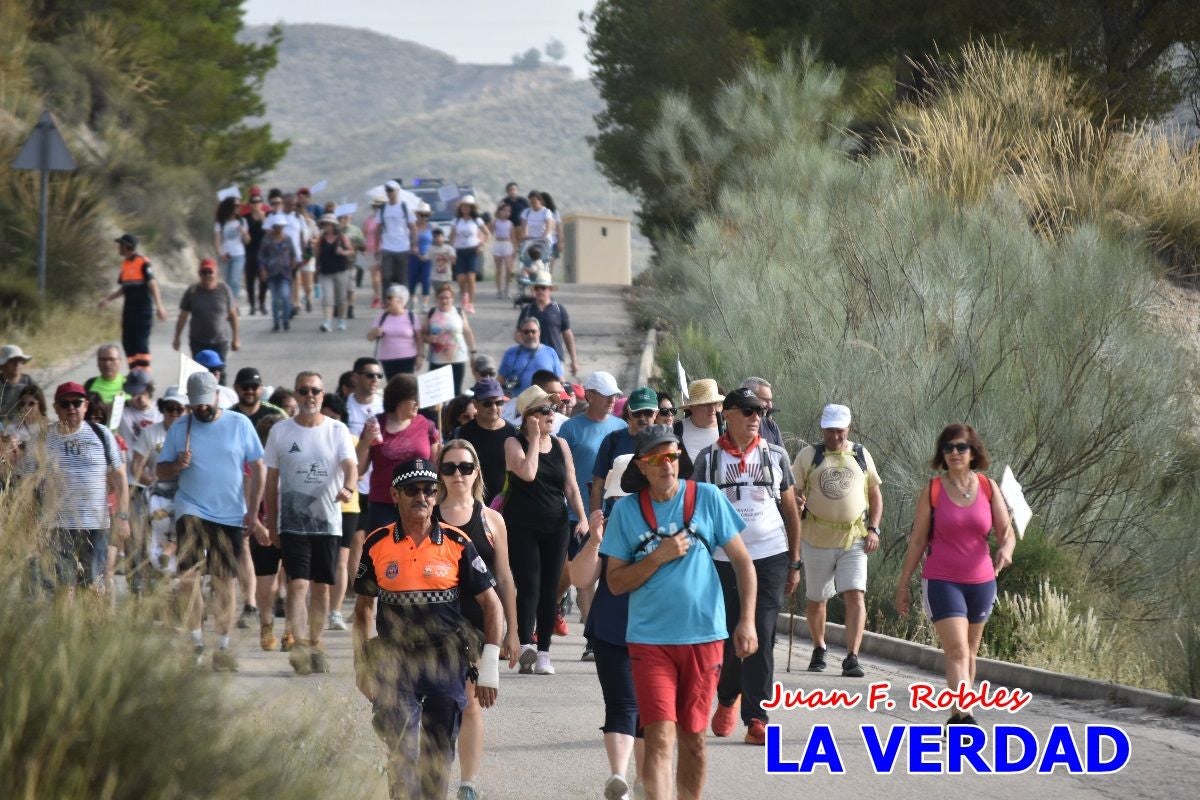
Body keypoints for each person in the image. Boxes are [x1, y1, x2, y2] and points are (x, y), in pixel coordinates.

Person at [599, 425, 758, 800]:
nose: (666, 465)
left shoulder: (706, 498)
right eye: (656, 458)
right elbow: (616, 583)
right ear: (642, 465)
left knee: (694, 741)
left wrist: (747, 620)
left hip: (704, 638)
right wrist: (658, 556)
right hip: (649, 641)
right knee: (658, 736)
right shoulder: (626, 511)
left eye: (671, 455)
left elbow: (744, 564)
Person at [353, 457, 503, 800]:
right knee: (402, 751)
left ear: (436, 495)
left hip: (446, 660)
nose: (421, 497)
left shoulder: (458, 541)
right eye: (412, 490)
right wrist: (361, 665)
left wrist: (490, 665)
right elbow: (362, 610)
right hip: (394, 661)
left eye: (429, 490)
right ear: (394, 494)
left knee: (437, 755)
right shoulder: (376, 543)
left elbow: (491, 604)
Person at [694, 387, 802, 745]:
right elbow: (695, 512)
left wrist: (794, 561)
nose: (757, 418)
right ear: (728, 414)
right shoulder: (709, 459)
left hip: (770, 555)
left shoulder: (776, 456)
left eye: (761, 412)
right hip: (723, 559)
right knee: (728, 636)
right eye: (749, 411)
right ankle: (727, 696)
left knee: (762, 633)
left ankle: (757, 717)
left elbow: (790, 511)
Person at [895, 424, 1015, 726]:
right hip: (942, 580)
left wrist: (1006, 550)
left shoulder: (988, 487)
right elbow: (919, 540)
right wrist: (903, 584)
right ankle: (966, 715)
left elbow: (1006, 533)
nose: (954, 453)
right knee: (958, 650)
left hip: (982, 582)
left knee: (970, 654)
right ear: (942, 454)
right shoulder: (933, 491)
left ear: (974, 452)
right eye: (948, 448)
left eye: (961, 447)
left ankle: (956, 714)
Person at [157, 371, 266, 671]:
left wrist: (253, 512)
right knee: (189, 576)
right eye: (196, 404)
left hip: (230, 512)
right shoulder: (181, 427)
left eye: (206, 403)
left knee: (223, 581)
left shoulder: (239, 424)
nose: (201, 409)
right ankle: (195, 642)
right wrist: (176, 465)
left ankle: (222, 646)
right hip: (191, 507)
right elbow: (160, 471)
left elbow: (259, 467)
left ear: (217, 396)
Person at [433, 441, 520, 800]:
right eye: (450, 467)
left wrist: (514, 632)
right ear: (440, 473)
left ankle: (467, 783)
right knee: (438, 705)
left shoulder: (491, 519)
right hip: (435, 622)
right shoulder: (428, 515)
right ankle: (433, 775)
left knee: (469, 702)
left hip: (479, 622)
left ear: (477, 472)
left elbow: (505, 578)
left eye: (465, 467)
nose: (458, 475)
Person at [264, 372, 357, 675]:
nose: (309, 396)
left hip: (327, 523)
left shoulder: (337, 430)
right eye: (303, 391)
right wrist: (272, 521)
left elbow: (350, 466)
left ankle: (316, 644)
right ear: (296, 393)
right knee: (297, 584)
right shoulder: (280, 431)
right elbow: (271, 480)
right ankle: (299, 642)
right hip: (292, 524)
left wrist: (349, 486)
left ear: (322, 393)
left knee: (321, 588)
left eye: (315, 391)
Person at [792, 403, 883, 678]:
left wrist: (874, 529)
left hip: (853, 538)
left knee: (855, 594)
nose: (835, 436)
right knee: (817, 598)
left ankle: (852, 657)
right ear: (823, 429)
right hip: (816, 538)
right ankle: (819, 648)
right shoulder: (809, 456)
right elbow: (793, 493)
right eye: (830, 431)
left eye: (840, 431)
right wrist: (797, 502)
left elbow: (875, 494)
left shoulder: (861, 454)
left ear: (848, 428)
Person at [503, 385, 589, 675]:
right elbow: (527, 473)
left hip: (556, 525)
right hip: (522, 524)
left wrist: (583, 517)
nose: (552, 414)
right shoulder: (513, 443)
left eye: (552, 409)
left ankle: (544, 652)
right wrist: (535, 439)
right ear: (528, 417)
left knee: (551, 589)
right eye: (544, 410)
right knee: (529, 585)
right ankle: (525, 644)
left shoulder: (561, 444)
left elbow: (571, 486)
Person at [570, 498, 645, 800]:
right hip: (613, 632)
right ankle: (621, 777)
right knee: (624, 705)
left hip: (661, 633)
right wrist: (595, 542)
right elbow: (580, 577)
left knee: (648, 711)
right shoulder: (609, 527)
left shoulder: (673, 524)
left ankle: (639, 779)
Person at [25, 382, 129, 593]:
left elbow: (120, 478)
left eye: (76, 402)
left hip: (96, 524)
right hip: (57, 525)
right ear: (56, 407)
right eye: (65, 403)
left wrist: (123, 518)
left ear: (85, 405)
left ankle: (91, 626)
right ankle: (63, 626)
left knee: (93, 586)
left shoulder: (102, 434)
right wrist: (30, 522)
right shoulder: (41, 438)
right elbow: (27, 483)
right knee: (65, 586)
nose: (71, 407)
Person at [357, 374, 441, 533]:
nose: (418, 403)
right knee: (382, 553)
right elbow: (359, 470)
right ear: (398, 399)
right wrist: (366, 441)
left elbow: (437, 468)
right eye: (414, 399)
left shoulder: (427, 425)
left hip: (419, 502)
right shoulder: (375, 425)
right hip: (383, 503)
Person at [99, 234, 167, 370]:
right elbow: (124, 288)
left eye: (120, 245)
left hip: (142, 312)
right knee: (128, 343)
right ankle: (134, 371)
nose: (118, 247)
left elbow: (152, 284)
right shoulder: (125, 264)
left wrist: (159, 306)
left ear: (127, 246)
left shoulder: (143, 262)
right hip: (129, 311)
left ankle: (144, 375)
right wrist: (108, 299)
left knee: (140, 344)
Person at [453, 378, 517, 504]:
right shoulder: (462, 433)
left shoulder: (513, 433)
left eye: (498, 403)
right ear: (475, 404)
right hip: (472, 502)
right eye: (487, 403)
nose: (494, 407)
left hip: (506, 504)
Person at [173, 258, 240, 362]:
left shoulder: (225, 290)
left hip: (220, 341)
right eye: (204, 272)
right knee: (200, 374)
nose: (207, 275)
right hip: (198, 342)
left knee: (219, 374)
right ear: (199, 274)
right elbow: (183, 316)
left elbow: (233, 315)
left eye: (210, 272)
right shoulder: (192, 291)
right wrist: (177, 338)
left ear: (216, 273)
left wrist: (236, 339)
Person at [517, 272, 579, 376]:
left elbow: (568, 335)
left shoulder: (559, 309)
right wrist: (525, 342)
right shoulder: (527, 310)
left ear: (550, 289)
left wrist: (574, 360)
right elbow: (518, 333)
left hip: (555, 358)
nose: (540, 291)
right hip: (531, 358)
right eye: (537, 288)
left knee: (555, 390)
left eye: (543, 287)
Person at [424, 284, 476, 397]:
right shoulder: (432, 312)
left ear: (452, 299)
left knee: (456, 392)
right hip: (437, 358)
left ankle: (454, 414)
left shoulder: (458, 312)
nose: (444, 300)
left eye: (447, 297)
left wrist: (473, 352)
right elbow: (422, 333)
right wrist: (429, 338)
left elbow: (467, 332)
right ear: (437, 298)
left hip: (458, 358)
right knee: (435, 394)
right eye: (441, 297)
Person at [497, 318, 563, 406]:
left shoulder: (550, 352)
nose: (530, 335)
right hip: (517, 405)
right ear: (520, 333)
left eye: (533, 331)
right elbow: (500, 381)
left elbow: (560, 380)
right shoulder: (510, 353)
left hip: (546, 404)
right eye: (526, 332)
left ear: (539, 332)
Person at [368, 285, 425, 379]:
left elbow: (419, 339)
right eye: (386, 298)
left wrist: (420, 356)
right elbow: (369, 338)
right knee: (393, 388)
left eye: (390, 298)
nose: (387, 301)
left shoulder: (412, 317)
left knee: (405, 388)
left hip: (408, 358)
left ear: (400, 300)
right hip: (388, 359)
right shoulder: (382, 316)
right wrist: (375, 333)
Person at [315, 213, 356, 332]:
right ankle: (327, 322)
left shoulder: (342, 237)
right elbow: (317, 254)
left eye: (328, 224)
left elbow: (351, 251)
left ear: (333, 225)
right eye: (324, 224)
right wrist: (316, 268)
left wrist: (343, 252)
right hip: (325, 272)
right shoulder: (321, 238)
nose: (326, 226)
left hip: (341, 271)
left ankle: (341, 320)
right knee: (327, 297)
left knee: (341, 298)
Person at [449, 195, 489, 314]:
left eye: (467, 206)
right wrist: (451, 251)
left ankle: (470, 303)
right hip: (459, 250)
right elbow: (452, 237)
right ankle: (464, 296)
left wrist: (482, 245)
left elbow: (487, 234)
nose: (465, 208)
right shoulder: (456, 221)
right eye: (463, 206)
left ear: (472, 208)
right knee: (460, 278)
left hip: (473, 250)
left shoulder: (477, 220)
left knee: (471, 277)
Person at [375, 179, 418, 290]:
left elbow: (413, 227)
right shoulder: (383, 208)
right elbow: (378, 229)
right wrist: (377, 248)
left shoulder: (405, 208)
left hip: (402, 247)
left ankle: (403, 303)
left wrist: (414, 244)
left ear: (397, 191)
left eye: (391, 190)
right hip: (387, 247)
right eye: (387, 190)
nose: (389, 193)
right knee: (386, 277)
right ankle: (387, 302)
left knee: (402, 278)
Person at [258, 213, 298, 332]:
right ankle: (276, 322)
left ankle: (285, 320)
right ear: (273, 227)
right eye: (277, 226)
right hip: (272, 273)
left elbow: (293, 254)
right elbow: (261, 256)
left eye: (281, 226)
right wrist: (262, 270)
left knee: (285, 296)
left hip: (285, 273)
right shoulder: (267, 240)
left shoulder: (288, 239)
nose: (279, 228)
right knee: (275, 299)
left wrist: (293, 264)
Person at [116, 369, 162, 464]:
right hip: (133, 469)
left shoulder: (161, 410)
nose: (140, 399)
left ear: (150, 390)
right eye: (135, 394)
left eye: (143, 393)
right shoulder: (123, 413)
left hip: (158, 468)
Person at [676, 379, 724, 463]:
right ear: (692, 407)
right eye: (706, 404)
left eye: (715, 403)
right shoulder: (676, 431)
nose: (712, 409)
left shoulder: (730, 430)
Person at [240, 186, 270, 316]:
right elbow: (245, 237)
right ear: (250, 204)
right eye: (253, 202)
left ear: (262, 204)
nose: (256, 204)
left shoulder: (267, 216)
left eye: (258, 201)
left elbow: (270, 233)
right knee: (250, 280)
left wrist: (263, 219)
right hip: (250, 252)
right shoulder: (245, 218)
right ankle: (252, 304)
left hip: (264, 252)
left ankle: (262, 303)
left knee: (264, 279)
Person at [214, 197, 249, 301]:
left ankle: (234, 304)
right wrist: (220, 254)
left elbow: (247, 241)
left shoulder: (242, 221)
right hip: (225, 255)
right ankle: (228, 303)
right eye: (236, 206)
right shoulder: (220, 222)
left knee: (235, 281)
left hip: (239, 254)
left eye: (239, 205)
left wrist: (242, 231)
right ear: (229, 207)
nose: (239, 208)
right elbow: (217, 241)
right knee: (226, 282)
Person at [338, 208, 366, 319]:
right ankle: (338, 307)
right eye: (342, 218)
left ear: (351, 218)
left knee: (351, 288)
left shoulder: (356, 230)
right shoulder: (336, 230)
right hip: (337, 263)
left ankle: (350, 308)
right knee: (339, 288)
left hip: (350, 263)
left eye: (347, 217)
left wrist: (360, 247)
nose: (344, 220)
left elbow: (363, 246)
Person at [0, 344, 37, 427]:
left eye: (19, 360)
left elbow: (39, 405)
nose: (17, 364)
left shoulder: (28, 381)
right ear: (3, 365)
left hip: (27, 427)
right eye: (12, 360)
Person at [741, 377, 783, 448]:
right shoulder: (731, 425)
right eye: (765, 400)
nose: (770, 406)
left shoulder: (771, 426)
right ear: (749, 397)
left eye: (770, 400)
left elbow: (781, 457)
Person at [408, 202, 435, 312]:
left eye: (426, 215)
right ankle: (412, 302)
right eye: (421, 215)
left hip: (427, 258)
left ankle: (424, 304)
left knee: (426, 280)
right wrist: (415, 251)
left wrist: (430, 254)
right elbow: (407, 242)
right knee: (412, 279)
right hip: (414, 256)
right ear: (417, 215)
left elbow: (434, 243)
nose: (424, 218)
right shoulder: (412, 227)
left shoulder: (431, 227)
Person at [518, 190, 555, 269]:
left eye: (534, 202)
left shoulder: (546, 212)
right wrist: (525, 235)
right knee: (527, 258)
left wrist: (544, 236)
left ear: (540, 201)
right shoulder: (527, 212)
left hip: (543, 240)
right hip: (531, 240)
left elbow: (549, 226)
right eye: (531, 202)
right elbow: (523, 225)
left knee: (543, 259)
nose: (533, 204)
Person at [490, 202, 516, 299]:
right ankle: (499, 290)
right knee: (498, 269)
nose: (507, 213)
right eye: (504, 210)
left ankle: (507, 289)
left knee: (509, 268)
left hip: (507, 244)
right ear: (500, 211)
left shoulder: (510, 223)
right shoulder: (495, 222)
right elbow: (489, 233)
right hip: (497, 244)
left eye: (508, 211)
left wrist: (514, 249)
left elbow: (513, 237)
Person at [427, 227, 456, 293]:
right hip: (436, 277)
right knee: (438, 295)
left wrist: (452, 259)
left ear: (443, 237)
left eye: (439, 236)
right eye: (435, 237)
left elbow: (453, 257)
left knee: (447, 293)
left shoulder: (448, 248)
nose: (438, 238)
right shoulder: (431, 249)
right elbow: (425, 258)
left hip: (447, 277)